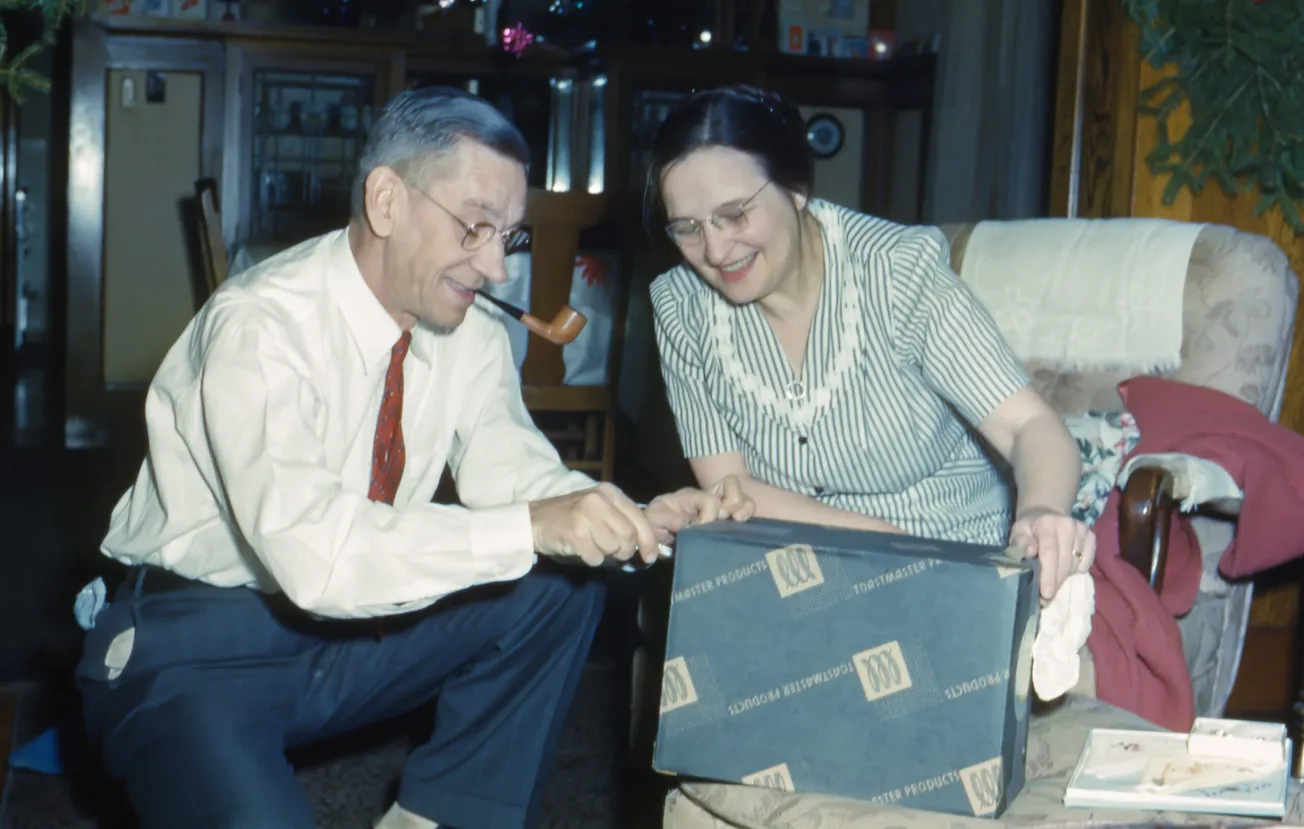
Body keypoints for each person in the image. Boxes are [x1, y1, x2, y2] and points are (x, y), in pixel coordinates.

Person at [75, 86, 752, 829]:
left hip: (351, 637)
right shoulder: (260, 326)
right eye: (475, 227)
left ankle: (441, 815)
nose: (497, 267)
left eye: (510, 236)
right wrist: (531, 526)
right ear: (388, 201)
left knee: (561, 587)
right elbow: (317, 557)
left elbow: (514, 474)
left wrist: (624, 519)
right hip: (192, 647)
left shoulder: (468, 330)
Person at [646, 84, 1092, 602]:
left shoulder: (898, 272)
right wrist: (890, 547)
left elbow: (1029, 426)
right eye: (687, 228)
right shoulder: (679, 306)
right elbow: (730, 489)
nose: (716, 250)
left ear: (795, 188)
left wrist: (1040, 513)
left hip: (956, 567)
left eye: (735, 215)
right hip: (800, 565)